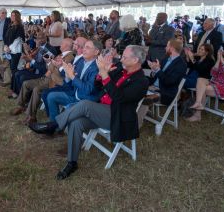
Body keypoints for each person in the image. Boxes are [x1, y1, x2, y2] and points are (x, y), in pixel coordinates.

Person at [30, 45, 149, 180]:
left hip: (117, 116)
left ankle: (54, 125)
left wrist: (105, 75)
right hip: (101, 110)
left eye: (124, 57)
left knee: (85, 105)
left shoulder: (141, 81)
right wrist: (101, 73)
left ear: (135, 60)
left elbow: (118, 97)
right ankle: (72, 162)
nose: (120, 59)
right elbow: (99, 86)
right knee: (76, 123)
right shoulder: (121, 69)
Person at [12, 38, 74, 123]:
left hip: (54, 82)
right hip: (47, 78)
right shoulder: (61, 54)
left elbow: (60, 72)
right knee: (26, 83)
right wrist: (50, 63)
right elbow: (49, 67)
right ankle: (21, 105)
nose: (60, 44)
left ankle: (31, 116)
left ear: (66, 46)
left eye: (62, 43)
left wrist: (51, 64)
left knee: (37, 89)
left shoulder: (69, 57)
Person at [38, 40, 102, 122]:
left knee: (67, 108)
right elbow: (70, 84)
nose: (84, 49)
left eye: (88, 47)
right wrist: (68, 76)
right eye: (84, 47)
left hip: (85, 101)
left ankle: (53, 126)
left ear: (96, 52)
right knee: (51, 96)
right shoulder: (81, 61)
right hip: (74, 94)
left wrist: (72, 77)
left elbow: (88, 89)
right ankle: (54, 124)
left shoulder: (98, 67)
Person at [187, 43, 224, 122]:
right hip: (216, 84)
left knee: (202, 89)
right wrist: (218, 60)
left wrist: (222, 61)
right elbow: (213, 73)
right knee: (200, 79)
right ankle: (198, 103)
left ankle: (197, 114)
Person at [137, 39, 187, 126]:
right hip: (153, 86)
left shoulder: (181, 64)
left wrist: (158, 70)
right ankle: (131, 117)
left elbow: (169, 82)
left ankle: (136, 124)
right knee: (133, 88)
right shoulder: (166, 58)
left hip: (165, 92)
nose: (165, 48)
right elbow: (156, 76)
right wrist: (153, 70)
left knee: (145, 99)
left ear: (171, 48)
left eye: (167, 46)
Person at [3, 10, 25, 87]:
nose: (12, 17)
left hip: (15, 51)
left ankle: (15, 88)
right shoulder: (10, 25)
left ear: (18, 17)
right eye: (12, 15)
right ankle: (13, 86)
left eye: (14, 15)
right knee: (11, 68)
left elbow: (19, 40)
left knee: (14, 69)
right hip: (9, 50)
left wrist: (9, 48)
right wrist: (5, 45)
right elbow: (6, 38)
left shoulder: (19, 27)